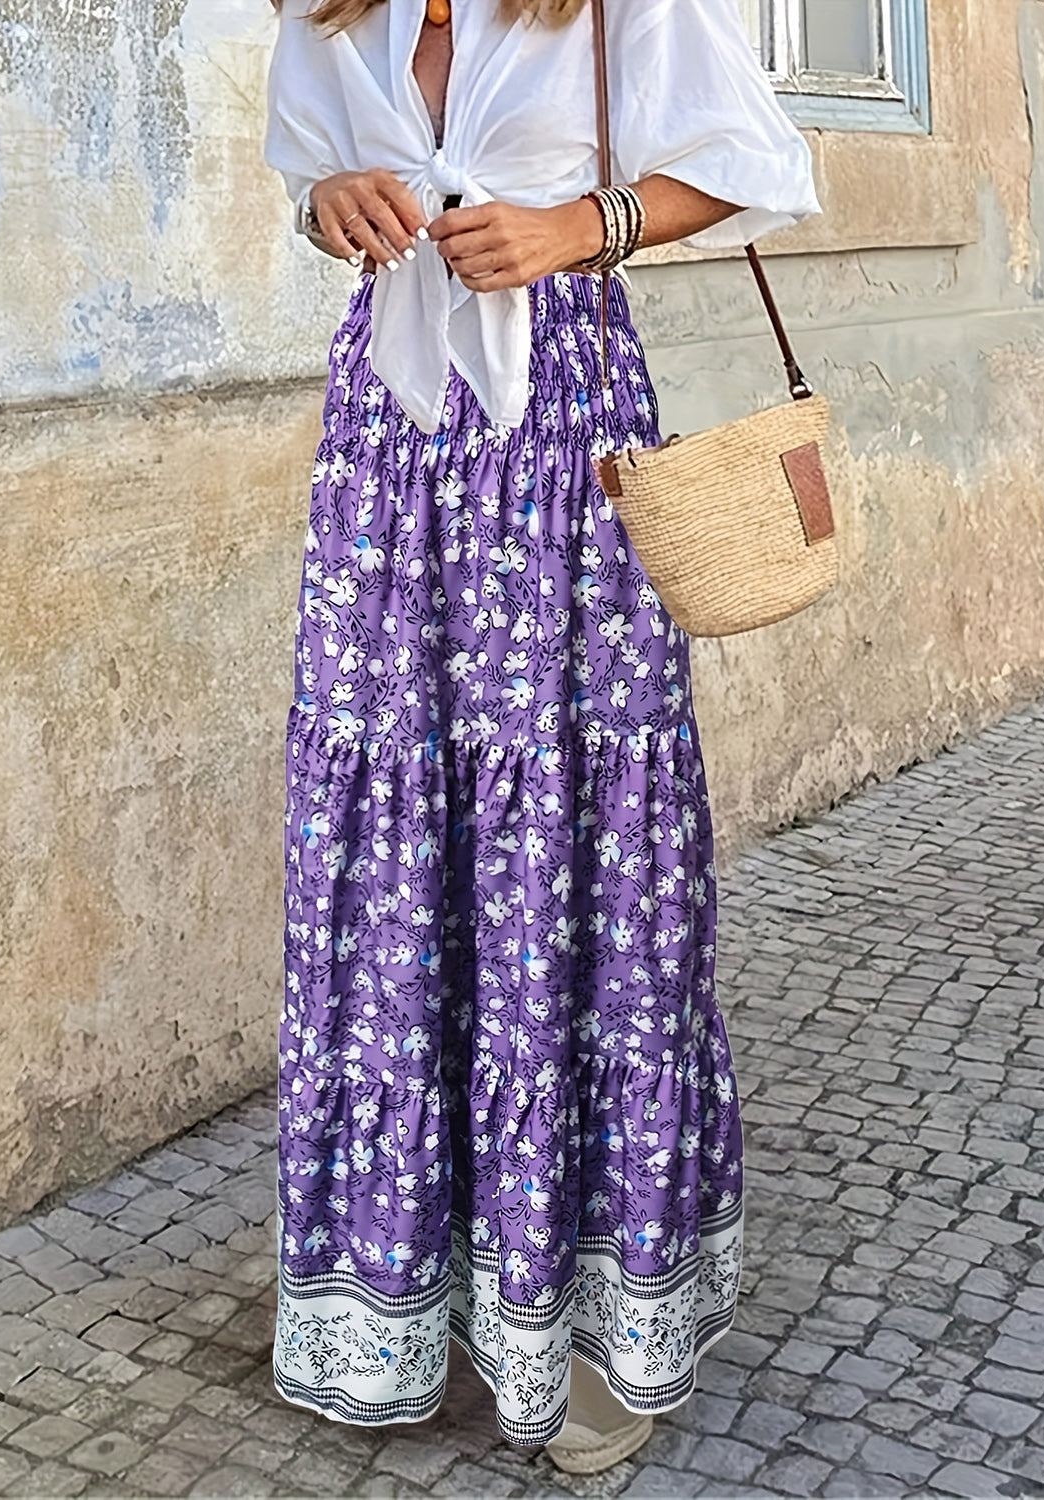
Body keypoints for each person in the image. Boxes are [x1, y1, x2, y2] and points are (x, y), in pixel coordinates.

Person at [264, 0, 819, 1474]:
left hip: (561, 440)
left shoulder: (617, 8)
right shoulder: (328, 20)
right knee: (392, 869)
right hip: (387, 456)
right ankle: (411, 1295)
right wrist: (333, 205)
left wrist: (586, 224)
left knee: (575, 855)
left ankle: (597, 1335)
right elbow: (316, 195)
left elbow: (762, 164)